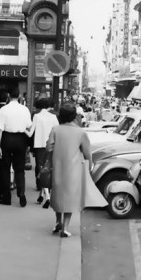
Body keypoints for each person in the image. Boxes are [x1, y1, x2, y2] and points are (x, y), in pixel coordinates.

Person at [46, 102, 107, 238]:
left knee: (58, 195)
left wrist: (49, 161)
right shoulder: (80, 132)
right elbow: (87, 153)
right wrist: (89, 167)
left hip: (57, 167)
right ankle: (66, 228)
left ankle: (57, 222)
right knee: (70, 197)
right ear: (74, 116)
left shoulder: (55, 129)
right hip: (74, 169)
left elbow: (49, 148)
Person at [0, 88, 32, 207]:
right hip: (20, 139)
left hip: (6, 138)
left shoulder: (4, 109)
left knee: (5, 168)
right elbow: (28, 125)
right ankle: (21, 193)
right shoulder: (25, 109)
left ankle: (6, 197)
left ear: (8, 96)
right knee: (20, 169)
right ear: (19, 96)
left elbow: (0, 128)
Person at [26, 97, 58, 207]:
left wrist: (22, 128)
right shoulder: (53, 117)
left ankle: (46, 196)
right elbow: (57, 131)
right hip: (52, 146)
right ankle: (43, 195)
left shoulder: (36, 116)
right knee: (47, 169)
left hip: (39, 146)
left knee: (41, 170)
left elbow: (30, 134)